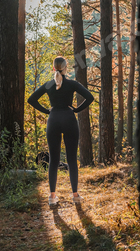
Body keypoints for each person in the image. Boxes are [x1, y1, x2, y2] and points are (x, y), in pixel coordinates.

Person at [27, 56, 94, 205]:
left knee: (54, 160)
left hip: (53, 120)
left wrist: (47, 111)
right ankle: (75, 195)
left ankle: (52, 197)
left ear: (53, 68)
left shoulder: (48, 85)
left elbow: (31, 100)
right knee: (71, 159)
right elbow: (90, 97)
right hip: (69, 120)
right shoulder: (72, 84)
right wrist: (76, 110)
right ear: (65, 68)